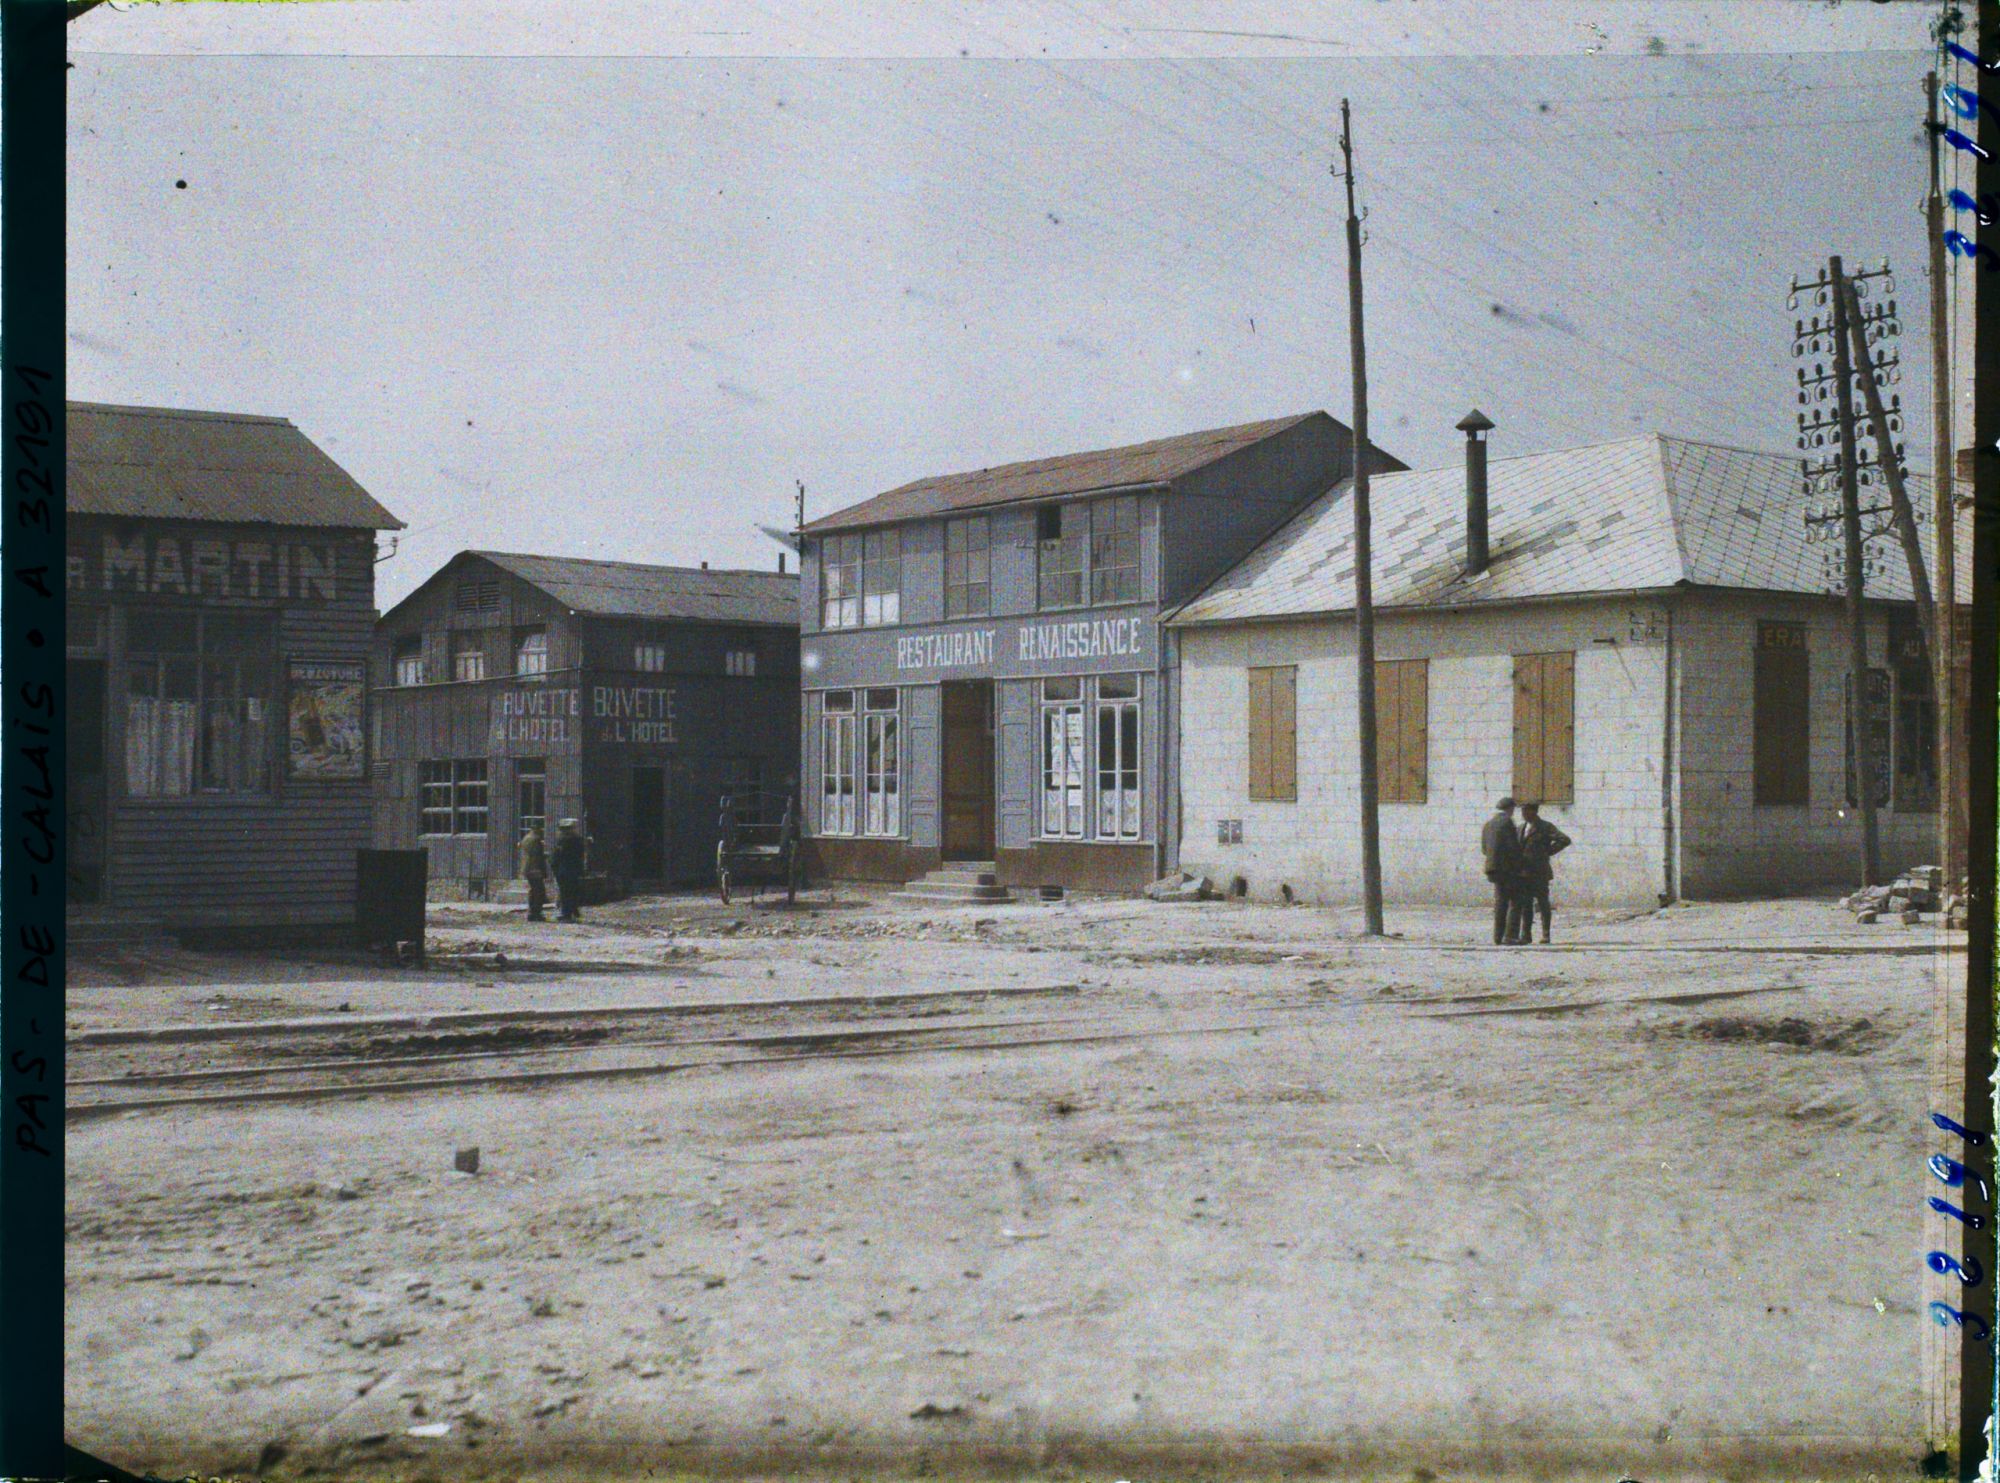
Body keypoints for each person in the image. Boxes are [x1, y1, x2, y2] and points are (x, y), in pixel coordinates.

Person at [1517, 802, 1572, 945]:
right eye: (1522, 811)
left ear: (1534, 812)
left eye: (1526, 811)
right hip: (1524, 873)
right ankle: (1526, 935)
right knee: (1526, 905)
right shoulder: (1520, 828)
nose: (1523, 814)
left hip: (1540, 872)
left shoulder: (1546, 827)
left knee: (1543, 904)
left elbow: (1564, 840)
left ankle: (1546, 934)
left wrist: (1547, 852)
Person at [1480, 796, 1529, 945]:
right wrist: (1521, 867)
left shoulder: (1488, 824)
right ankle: (1510, 936)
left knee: (1500, 903)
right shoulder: (1507, 822)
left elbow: (1484, 849)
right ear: (1510, 809)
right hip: (1507, 870)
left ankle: (1497, 936)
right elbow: (1513, 848)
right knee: (1516, 901)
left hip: (1492, 869)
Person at [551, 818, 588, 923]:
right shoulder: (578, 840)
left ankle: (566, 914)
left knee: (565, 893)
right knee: (573, 891)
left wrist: (554, 869)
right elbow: (581, 856)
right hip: (574, 870)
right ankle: (573, 912)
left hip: (563, 871)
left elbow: (556, 857)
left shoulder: (562, 841)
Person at [518, 823, 549, 923]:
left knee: (533, 890)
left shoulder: (526, 838)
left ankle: (531, 912)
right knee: (539, 891)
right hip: (535, 869)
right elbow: (537, 856)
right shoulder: (536, 840)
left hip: (527, 868)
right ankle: (536, 913)